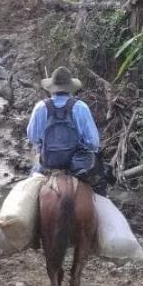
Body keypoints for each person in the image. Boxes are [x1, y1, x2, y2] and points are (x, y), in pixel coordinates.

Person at [26, 67, 112, 195]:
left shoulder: (40, 107)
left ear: (52, 88)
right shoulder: (81, 107)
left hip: (48, 164)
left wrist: (42, 144)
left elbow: (32, 136)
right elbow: (93, 143)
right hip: (77, 165)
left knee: (28, 190)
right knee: (100, 190)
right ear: (70, 88)